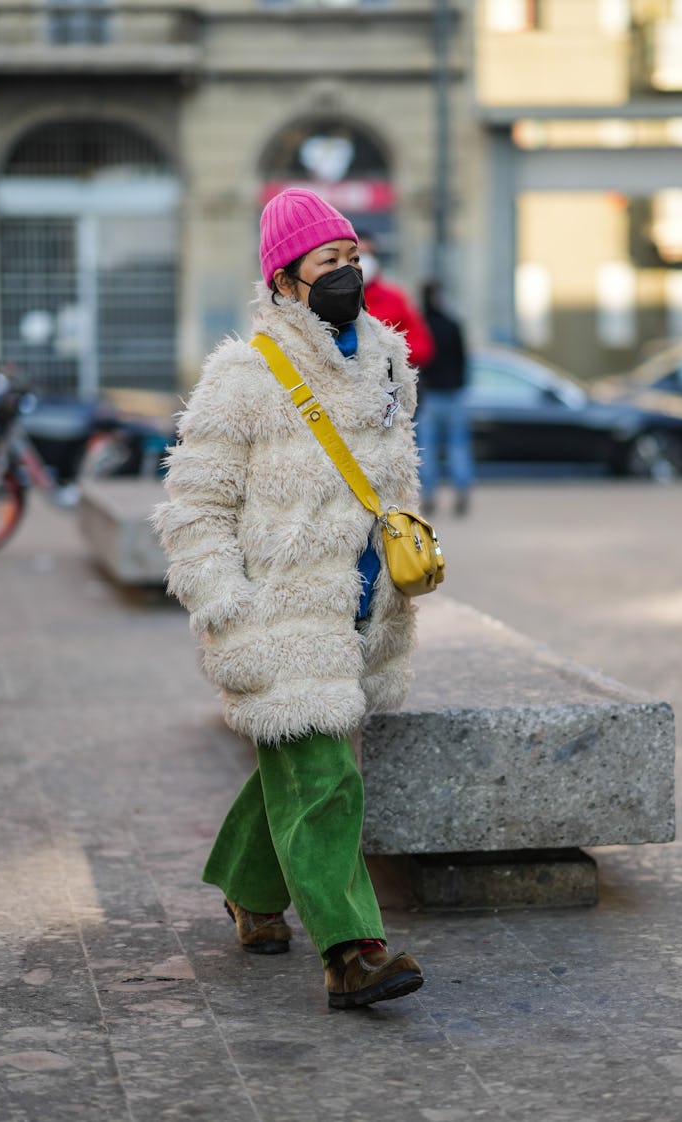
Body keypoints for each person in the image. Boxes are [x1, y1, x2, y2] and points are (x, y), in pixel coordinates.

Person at [153, 188, 424, 1010]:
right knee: (325, 775)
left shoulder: (383, 357)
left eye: (352, 258)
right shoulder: (246, 373)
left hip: (361, 604)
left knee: (296, 756)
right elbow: (194, 505)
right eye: (327, 263)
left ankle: (247, 884)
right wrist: (223, 604)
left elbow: (390, 475)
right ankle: (353, 952)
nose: (347, 273)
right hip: (276, 609)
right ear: (285, 279)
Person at [416, 280, 474, 517]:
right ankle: (461, 490)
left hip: (429, 395)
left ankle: (429, 495)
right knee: (458, 446)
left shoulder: (422, 325)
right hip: (454, 393)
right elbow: (463, 359)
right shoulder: (453, 324)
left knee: (427, 448)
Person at [356, 233, 435, 370]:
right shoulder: (325, 298)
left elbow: (423, 347)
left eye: (369, 254)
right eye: (357, 256)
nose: (363, 261)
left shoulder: (393, 298)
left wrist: (383, 348)